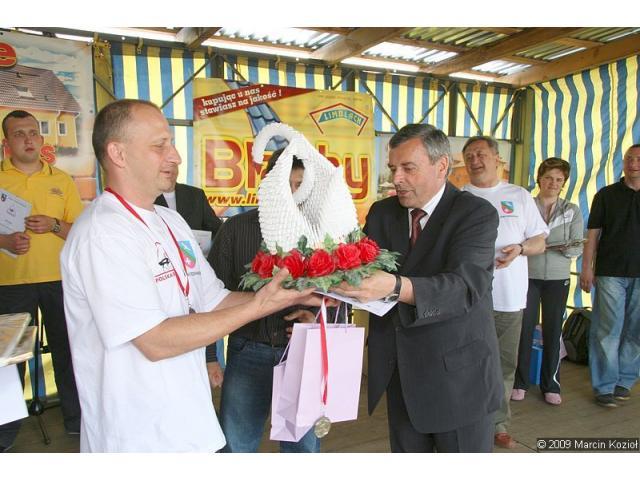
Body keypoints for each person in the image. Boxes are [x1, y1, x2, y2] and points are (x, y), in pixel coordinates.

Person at [60, 99, 323, 452]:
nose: (175, 156)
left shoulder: (171, 221)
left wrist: (285, 295)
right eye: (159, 146)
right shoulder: (103, 233)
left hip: (189, 425)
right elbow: (154, 341)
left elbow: (214, 298)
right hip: (138, 437)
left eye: (171, 143)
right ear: (118, 153)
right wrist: (260, 305)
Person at [333, 124, 502, 453]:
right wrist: (328, 297)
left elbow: (465, 287)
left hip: (459, 377)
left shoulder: (475, 214)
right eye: (393, 168)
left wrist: (396, 286)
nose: (396, 179)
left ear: (442, 166)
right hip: (401, 373)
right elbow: (360, 273)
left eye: (408, 168)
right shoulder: (382, 213)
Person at [205, 148, 319, 453]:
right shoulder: (235, 230)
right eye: (285, 184)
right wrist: (210, 356)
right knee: (236, 445)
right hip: (247, 351)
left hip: (301, 353)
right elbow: (209, 296)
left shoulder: (321, 235)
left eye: (300, 186)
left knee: (302, 448)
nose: (292, 193)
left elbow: (340, 297)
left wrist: (316, 320)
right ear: (268, 183)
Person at [0, 110, 83, 451]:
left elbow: (80, 231)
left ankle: (77, 421)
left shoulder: (61, 179)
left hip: (60, 282)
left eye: (33, 132)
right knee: (9, 359)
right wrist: (4, 241)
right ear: (7, 143)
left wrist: (53, 224)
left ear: (42, 138)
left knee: (69, 351)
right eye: (19, 134)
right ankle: (4, 432)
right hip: (11, 283)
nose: (29, 139)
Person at [461, 136, 548, 449]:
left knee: (503, 363)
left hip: (509, 297)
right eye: (469, 156)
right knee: (467, 362)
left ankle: (498, 423)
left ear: (497, 158)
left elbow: (540, 241)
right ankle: (467, 420)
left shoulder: (518, 195)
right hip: (467, 298)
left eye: (481, 154)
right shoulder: (458, 198)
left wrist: (521, 249)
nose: (475, 160)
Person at [513, 158, 584, 405]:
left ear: (564, 183)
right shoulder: (527, 205)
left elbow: (576, 247)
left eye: (558, 180)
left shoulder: (572, 210)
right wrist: (547, 245)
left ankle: (551, 384)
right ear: (539, 179)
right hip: (527, 276)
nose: (553, 183)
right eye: (548, 178)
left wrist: (539, 245)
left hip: (558, 278)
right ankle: (520, 382)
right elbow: (518, 239)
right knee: (524, 328)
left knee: (553, 331)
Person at [580, 144, 640, 408]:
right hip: (609, 272)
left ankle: (624, 380)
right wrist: (587, 268)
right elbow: (592, 235)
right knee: (607, 330)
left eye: (638, 159)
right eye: (629, 158)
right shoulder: (606, 195)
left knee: (636, 331)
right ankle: (604, 385)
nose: (633, 163)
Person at [153, 166, 222, 238]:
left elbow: (216, 228)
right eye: (165, 171)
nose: (169, 172)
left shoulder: (196, 195)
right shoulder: (148, 196)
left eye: (173, 166)